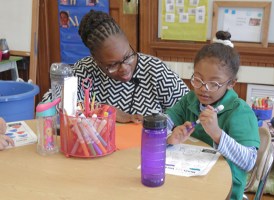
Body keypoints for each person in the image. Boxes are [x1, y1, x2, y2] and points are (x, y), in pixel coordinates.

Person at [42, 10, 189, 123]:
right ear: (96, 60)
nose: (125, 68)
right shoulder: (84, 71)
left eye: (128, 56)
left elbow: (190, 108)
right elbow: (49, 106)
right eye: (113, 64)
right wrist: (105, 111)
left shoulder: (155, 70)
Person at [165, 31, 260, 200]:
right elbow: (165, 121)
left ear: (231, 84)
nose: (203, 88)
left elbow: (249, 161)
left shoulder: (240, 112)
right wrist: (168, 138)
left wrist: (217, 134)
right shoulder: (190, 99)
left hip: (224, 189)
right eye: (198, 80)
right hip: (189, 178)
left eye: (214, 83)